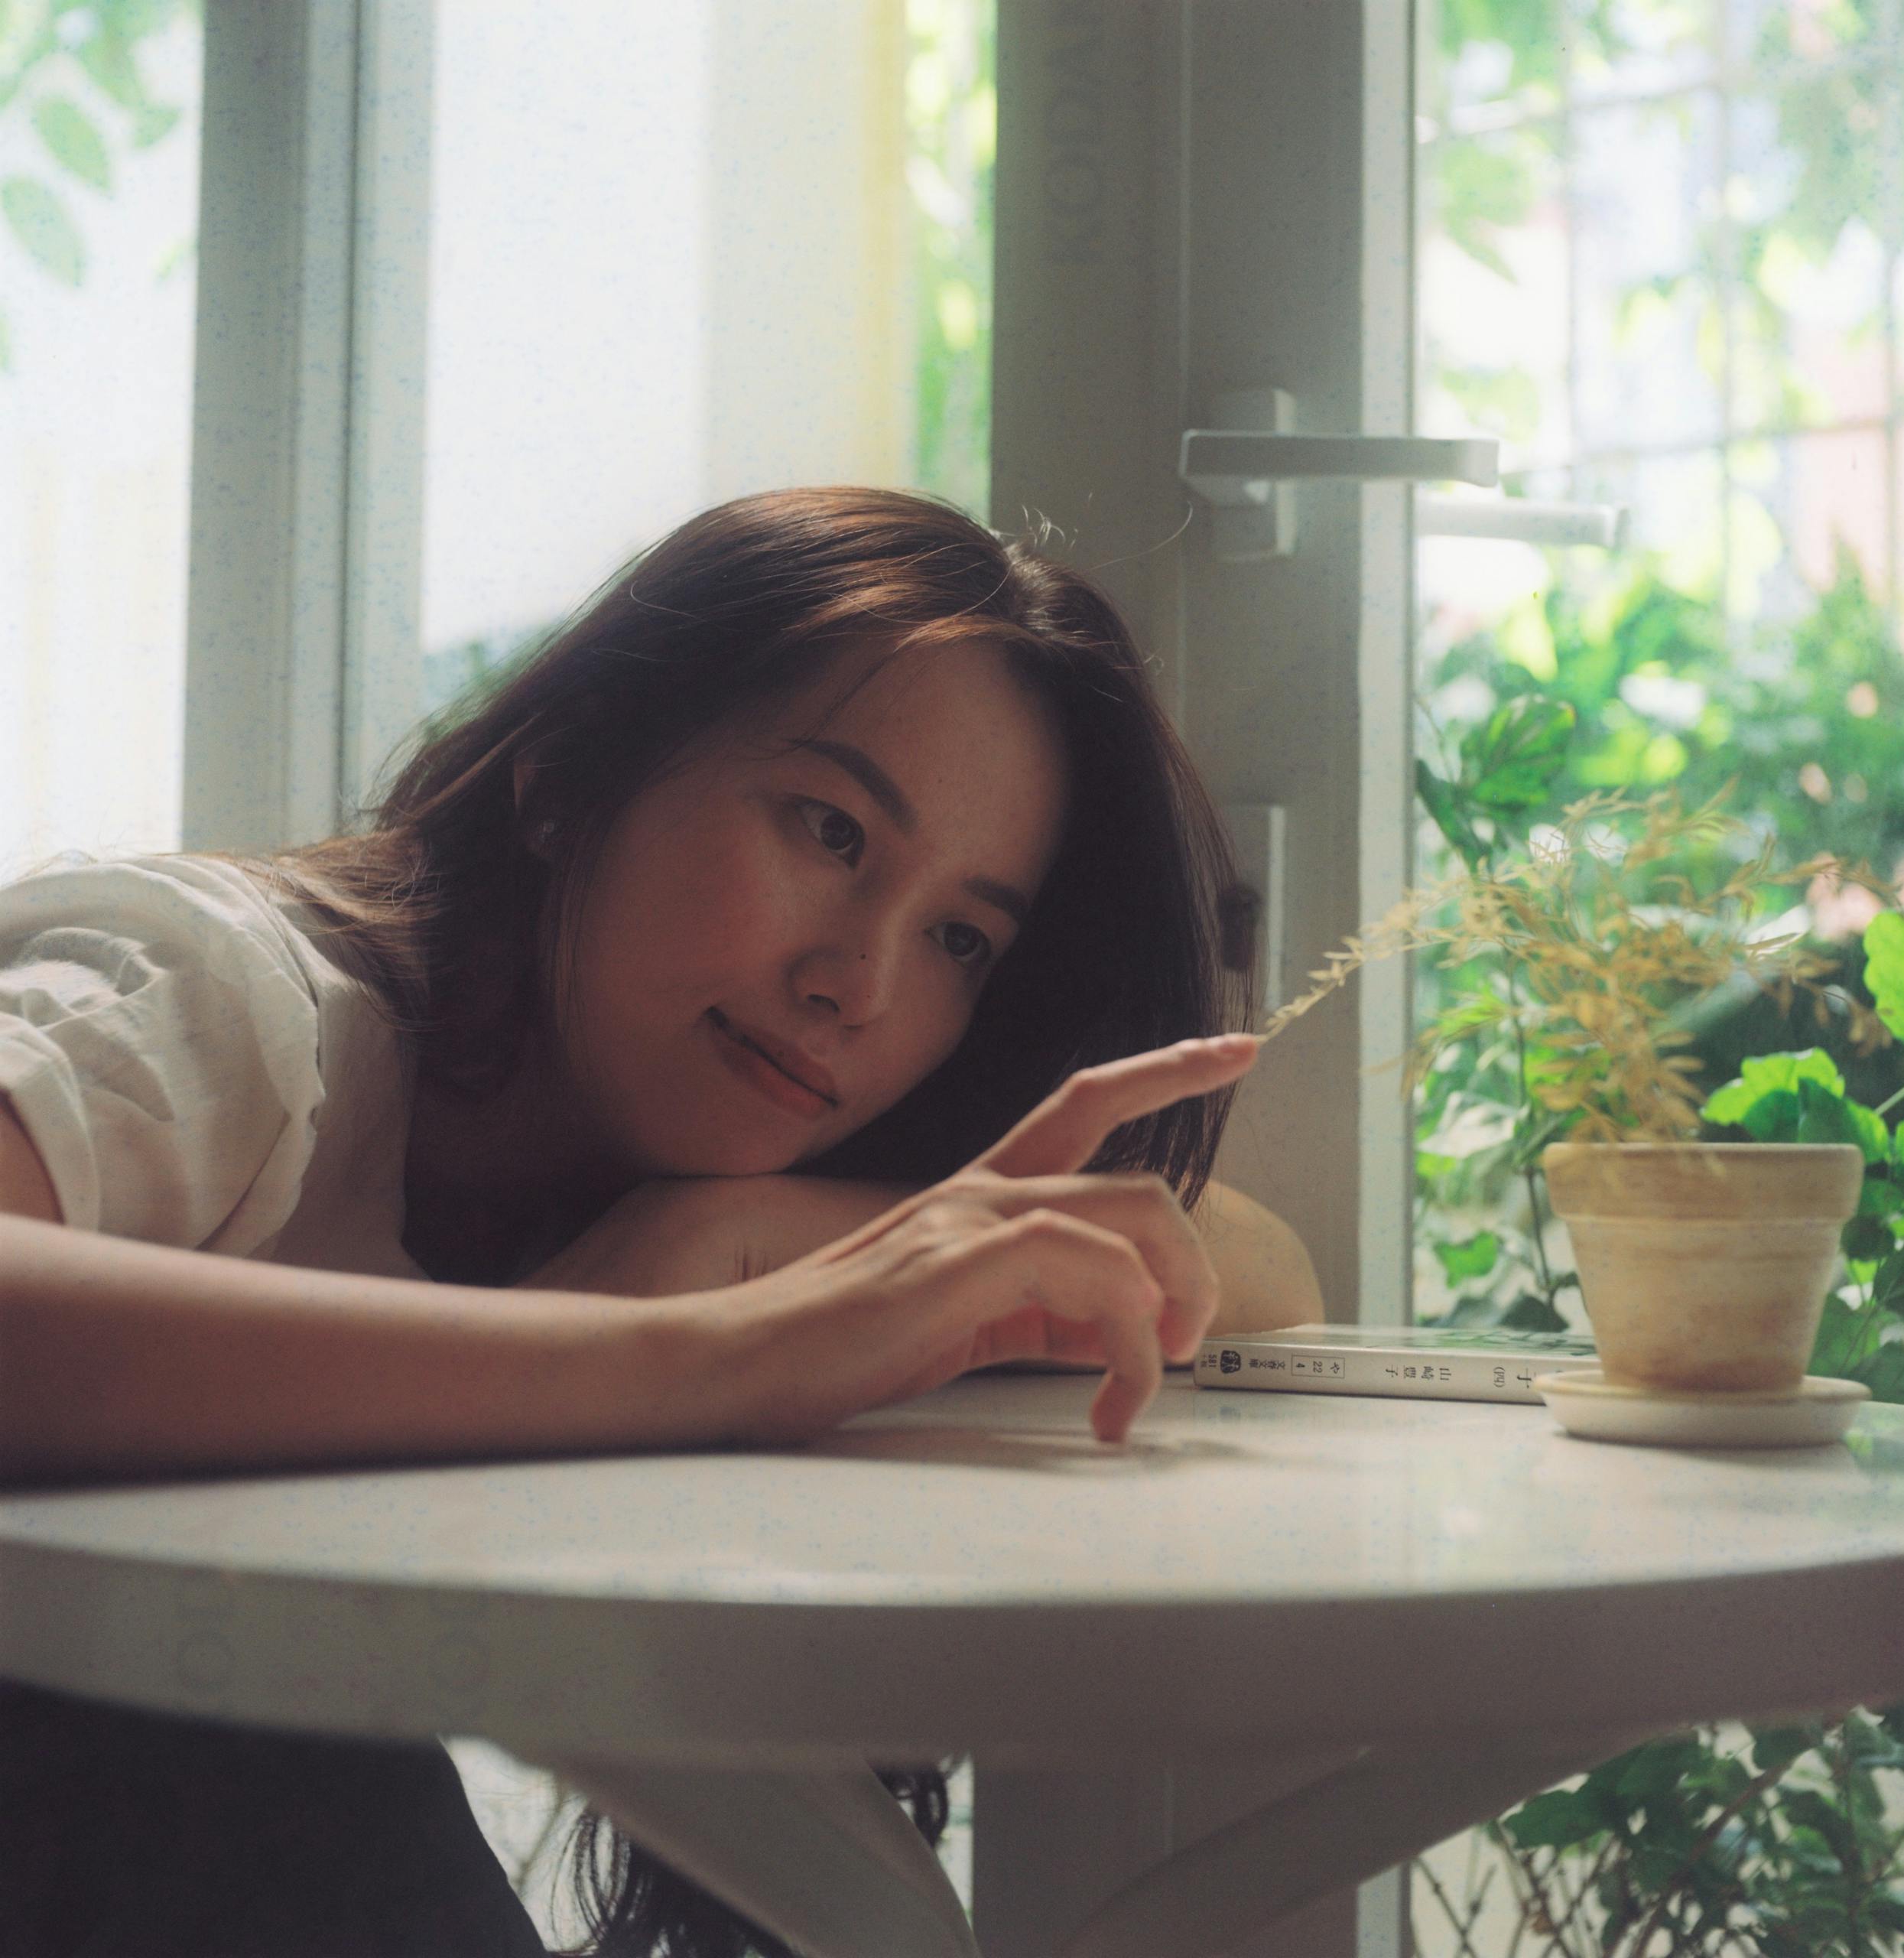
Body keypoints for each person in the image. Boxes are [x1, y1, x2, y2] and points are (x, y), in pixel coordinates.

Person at [0, 487, 1321, 1955]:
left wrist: (738, 1241)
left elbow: (1248, 1266)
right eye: (829, 831)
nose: (861, 982)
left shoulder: (669, 1165)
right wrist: (706, 1351)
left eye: (961, 936)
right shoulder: (225, 1001)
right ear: (567, 774)